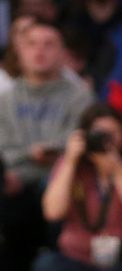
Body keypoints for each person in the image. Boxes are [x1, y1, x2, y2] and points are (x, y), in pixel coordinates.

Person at [0, 22, 95, 269]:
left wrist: (28, 160)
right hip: (15, 184)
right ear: (19, 52)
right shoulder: (4, 100)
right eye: (32, 44)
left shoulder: (80, 97)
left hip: (63, 182)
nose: (40, 51)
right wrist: (33, 155)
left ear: (62, 53)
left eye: (49, 44)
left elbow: (76, 147)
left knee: (53, 187)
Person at [39, 104, 122, 271]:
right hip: (74, 257)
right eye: (99, 134)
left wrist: (117, 172)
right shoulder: (70, 163)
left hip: (118, 257)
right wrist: (70, 161)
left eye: (112, 133)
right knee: (45, 264)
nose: (105, 140)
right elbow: (53, 212)